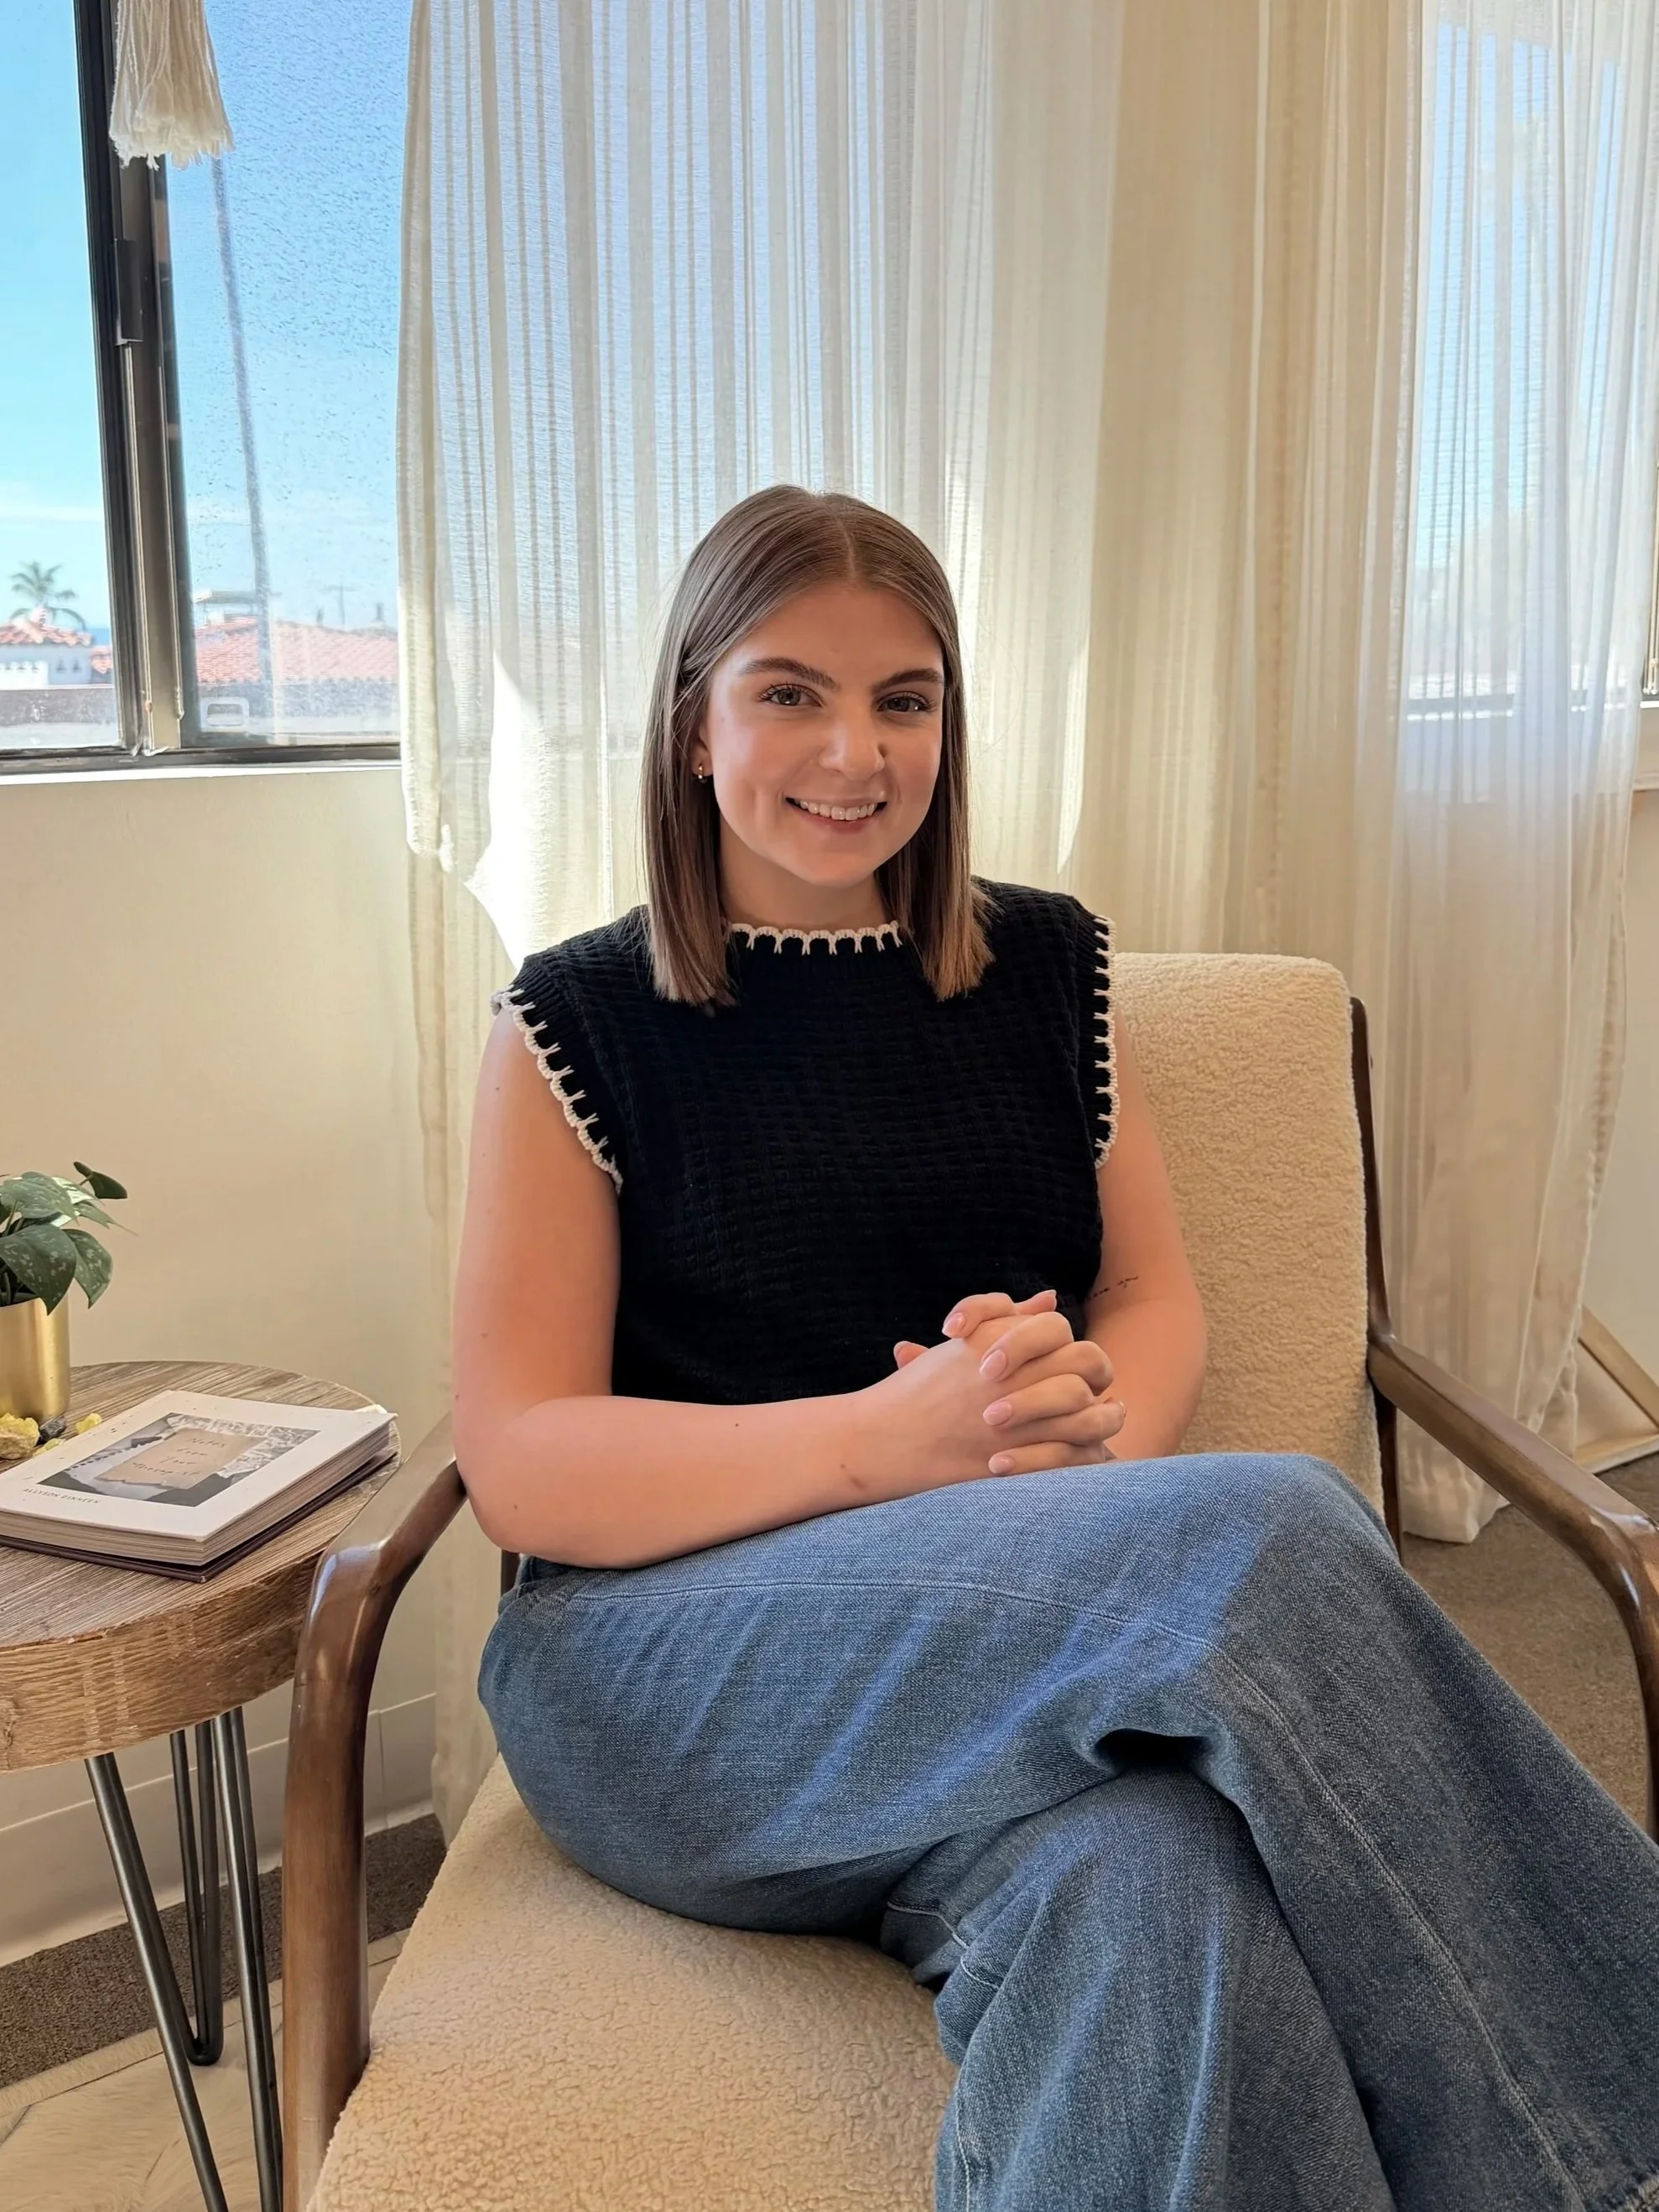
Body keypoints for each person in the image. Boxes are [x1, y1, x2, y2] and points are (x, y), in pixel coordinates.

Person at [453, 483, 1659, 2212]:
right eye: (789, 689)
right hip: (659, 1666)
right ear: (690, 714)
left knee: (1160, 1887)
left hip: (1000, 1633)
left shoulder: (1046, 968)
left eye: (905, 697)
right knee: (1268, 1529)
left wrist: (1088, 1433)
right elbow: (525, 1458)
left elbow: (1150, 1297)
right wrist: (891, 1440)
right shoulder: (572, 1019)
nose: (854, 749)